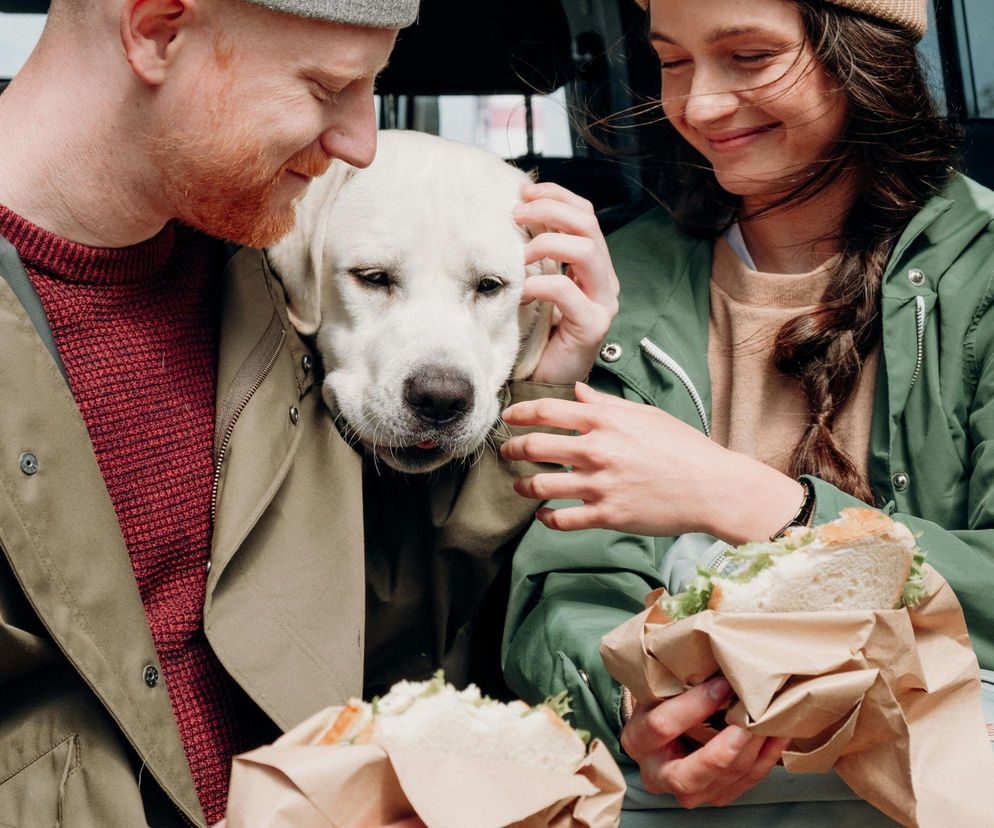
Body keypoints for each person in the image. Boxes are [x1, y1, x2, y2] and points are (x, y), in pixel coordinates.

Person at [0, 1, 618, 825]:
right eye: (328, 86)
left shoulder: (262, 275)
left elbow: (371, 622)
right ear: (156, 31)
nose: (363, 144)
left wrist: (540, 385)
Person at [499, 0, 994, 824]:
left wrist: (761, 504)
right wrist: (636, 713)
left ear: (860, 58)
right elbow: (564, 587)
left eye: (751, 57)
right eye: (674, 60)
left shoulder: (982, 279)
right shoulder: (610, 284)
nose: (698, 106)